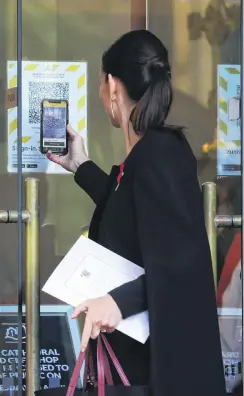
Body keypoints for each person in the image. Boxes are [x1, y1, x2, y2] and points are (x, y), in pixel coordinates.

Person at [48, 30, 226, 396]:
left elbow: (182, 259)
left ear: (112, 86)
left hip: (156, 366)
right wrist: (80, 165)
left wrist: (117, 301)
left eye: (101, 84)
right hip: (141, 358)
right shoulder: (149, 156)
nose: (101, 96)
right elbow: (132, 212)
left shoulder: (160, 154)